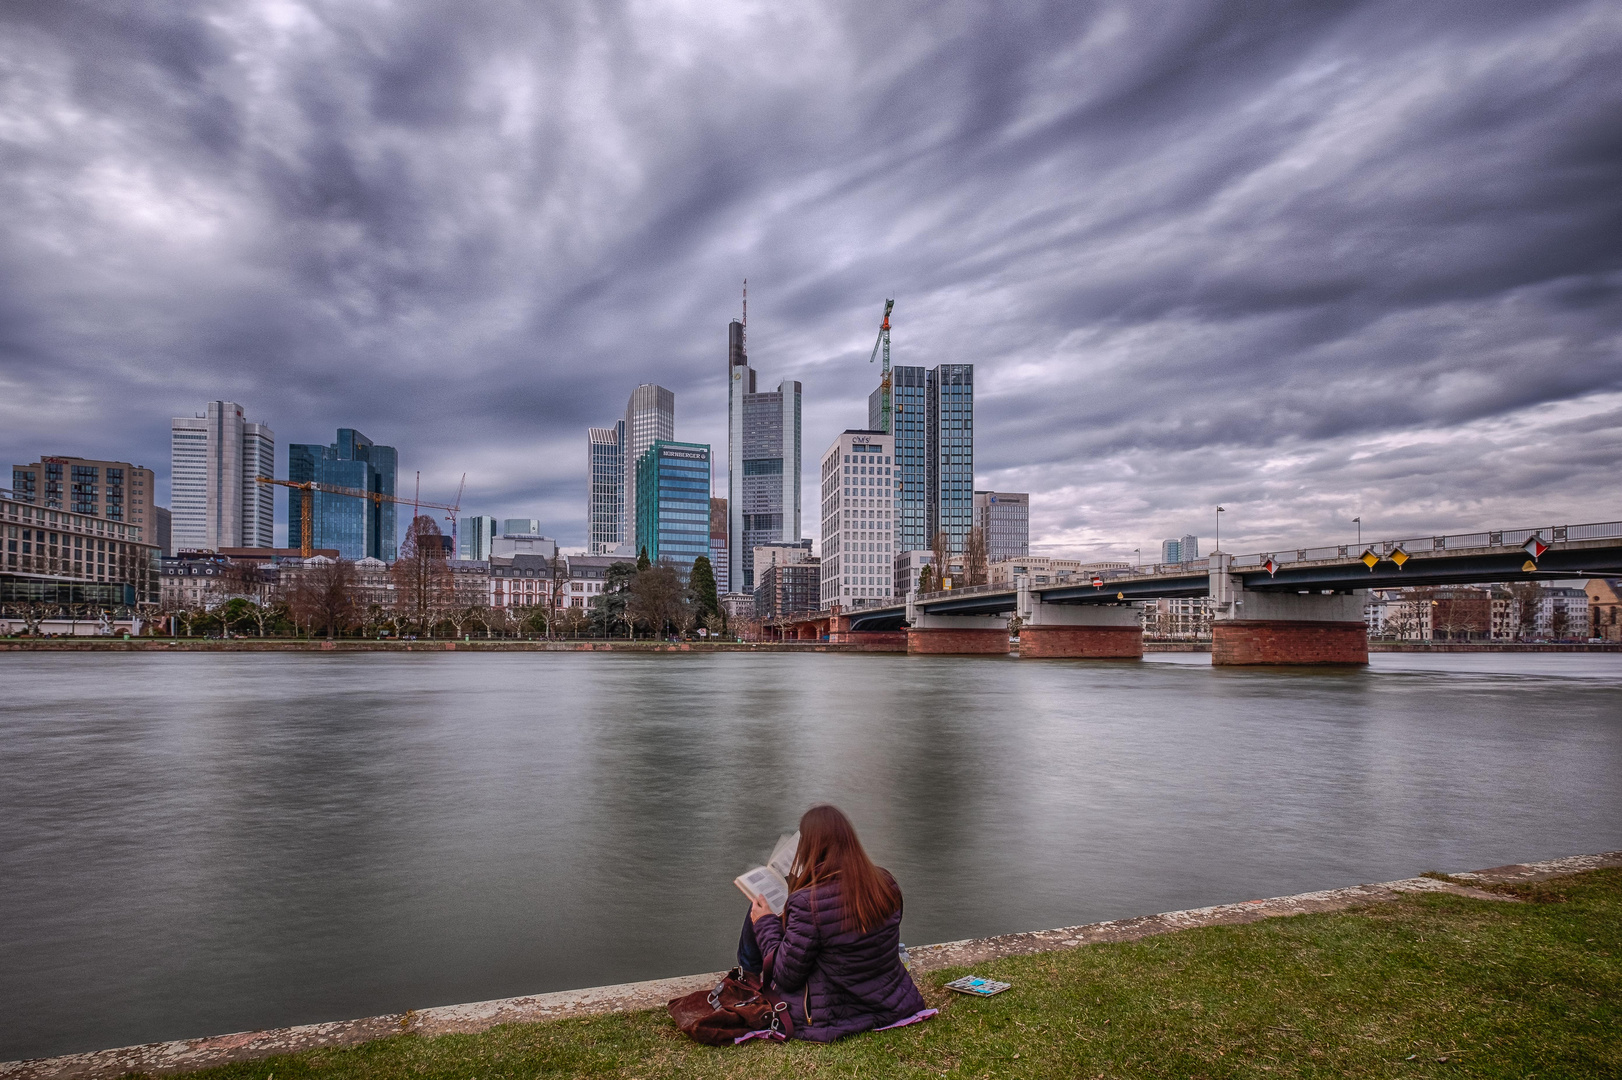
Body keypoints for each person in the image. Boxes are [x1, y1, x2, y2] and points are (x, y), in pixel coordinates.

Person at [738, 805, 934, 1041]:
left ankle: (747, 979)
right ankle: (748, 975)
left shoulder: (807, 903)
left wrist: (766, 923)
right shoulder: (885, 881)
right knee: (772, 910)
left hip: (833, 1012)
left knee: (759, 907)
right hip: (889, 1000)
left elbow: (786, 976)